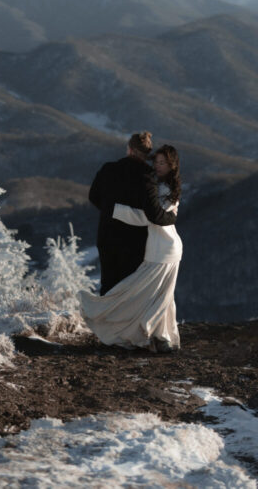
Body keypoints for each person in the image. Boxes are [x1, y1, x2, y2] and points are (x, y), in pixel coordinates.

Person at [79, 144, 183, 352]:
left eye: (163, 163)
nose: (159, 166)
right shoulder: (167, 187)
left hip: (161, 249)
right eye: (157, 161)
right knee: (159, 296)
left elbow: (148, 218)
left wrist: (115, 210)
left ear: (172, 166)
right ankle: (161, 337)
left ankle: (152, 335)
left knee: (139, 295)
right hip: (166, 247)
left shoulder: (160, 188)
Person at [88, 131, 159, 295]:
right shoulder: (149, 176)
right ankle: (127, 320)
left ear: (129, 149)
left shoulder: (108, 169)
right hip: (135, 239)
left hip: (107, 233)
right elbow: (151, 208)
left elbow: (93, 196)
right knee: (130, 286)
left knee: (108, 284)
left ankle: (105, 318)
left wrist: (110, 211)